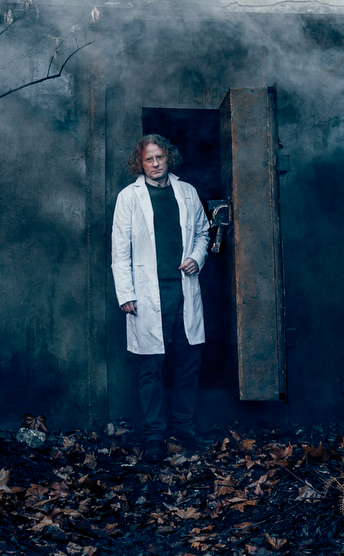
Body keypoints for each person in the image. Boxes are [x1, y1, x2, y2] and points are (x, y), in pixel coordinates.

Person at [110, 134, 210, 462]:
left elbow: (202, 233)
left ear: (168, 158)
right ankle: (154, 435)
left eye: (159, 157)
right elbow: (120, 250)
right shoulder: (129, 197)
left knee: (188, 361)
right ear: (140, 164)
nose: (155, 164)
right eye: (148, 159)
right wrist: (126, 293)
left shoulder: (187, 192)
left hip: (184, 288)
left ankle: (184, 427)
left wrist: (197, 257)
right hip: (148, 292)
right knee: (151, 365)